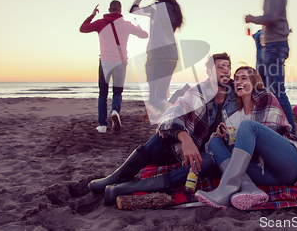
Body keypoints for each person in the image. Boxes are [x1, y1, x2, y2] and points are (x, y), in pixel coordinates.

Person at [87, 53, 239, 205]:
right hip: (187, 150)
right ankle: (119, 176)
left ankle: (129, 187)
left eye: (228, 67)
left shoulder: (238, 92)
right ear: (209, 72)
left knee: (206, 161)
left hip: (215, 156)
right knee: (163, 135)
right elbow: (172, 113)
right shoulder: (199, 91)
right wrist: (185, 138)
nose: (226, 71)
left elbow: (258, 102)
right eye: (220, 67)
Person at [195, 66, 297, 210]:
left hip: (287, 165)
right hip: (265, 174)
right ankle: (250, 188)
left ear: (254, 82)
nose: (238, 81)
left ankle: (225, 189)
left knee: (247, 126)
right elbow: (237, 147)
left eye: (244, 78)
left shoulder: (265, 97)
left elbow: (274, 134)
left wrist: (240, 138)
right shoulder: (232, 114)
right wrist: (222, 136)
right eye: (236, 79)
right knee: (214, 141)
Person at [231, 0, 296, 132]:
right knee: (264, 90)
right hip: (271, 46)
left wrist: (252, 19)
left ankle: (292, 132)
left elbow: (271, 17)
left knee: (277, 92)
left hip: (274, 46)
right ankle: (271, 127)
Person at [80, 1, 148, 133]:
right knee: (117, 92)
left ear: (109, 10)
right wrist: (137, 25)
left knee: (103, 93)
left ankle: (102, 125)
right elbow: (144, 35)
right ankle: (115, 111)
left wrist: (92, 15)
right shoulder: (127, 25)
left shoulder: (100, 23)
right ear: (120, 10)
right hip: (121, 62)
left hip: (105, 61)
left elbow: (83, 28)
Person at [130, 0, 184, 121]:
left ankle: (175, 111)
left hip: (156, 55)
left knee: (153, 97)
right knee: (161, 96)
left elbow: (133, 10)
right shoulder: (176, 10)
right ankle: (164, 122)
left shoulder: (157, 7)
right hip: (172, 56)